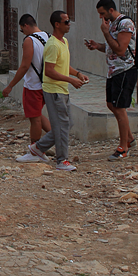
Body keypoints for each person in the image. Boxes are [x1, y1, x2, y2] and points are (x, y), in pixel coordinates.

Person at [16, 10, 87, 171]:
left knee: (66, 124)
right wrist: (71, 80)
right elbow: (49, 71)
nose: (69, 24)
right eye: (66, 22)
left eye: (69, 21)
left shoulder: (63, 42)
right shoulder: (52, 44)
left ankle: (37, 148)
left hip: (62, 89)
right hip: (53, 90)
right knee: (60, 125)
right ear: (57, 24)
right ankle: (62, 160)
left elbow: (63, 65)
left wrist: (77, 74)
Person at [83, 0, 136, 159]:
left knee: (119, 108)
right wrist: (97, 46)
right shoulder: (112, 24)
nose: (101, 17)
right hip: (113, 71)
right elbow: (111, 46)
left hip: (125, 70)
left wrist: (106, 33)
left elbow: (120, 50)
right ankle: (129, 137)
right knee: (110, 104)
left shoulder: (125, 24)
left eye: (102, 13)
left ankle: (123, 147)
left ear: (111, 10)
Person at [1, 14, 52, 147]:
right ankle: (55, 136)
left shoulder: (30, 41)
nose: (22, 33)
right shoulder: (49, 36)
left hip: (33, 85)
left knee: (34, 119)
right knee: (38, 114)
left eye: (22, 30)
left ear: (26, 26)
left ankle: (35, 148)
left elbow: (25, 65)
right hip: (48, 83)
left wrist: (10, 85)